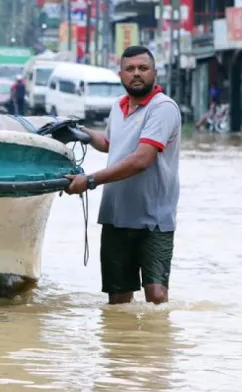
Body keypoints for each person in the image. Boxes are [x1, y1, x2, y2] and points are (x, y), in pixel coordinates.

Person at [64, 45, 181, 306]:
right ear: (121, 75)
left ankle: (156, 345)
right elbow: (109, 143)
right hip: (116, 215)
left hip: (154, 219)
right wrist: (79, 133)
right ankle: (123, 346)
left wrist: (91, 180)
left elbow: (142, 159)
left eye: (143, 68)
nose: (136, 74)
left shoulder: (163, 108)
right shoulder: (119, 107)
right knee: (118, 300)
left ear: (155, 73)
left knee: (157, 296)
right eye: (130, 69)